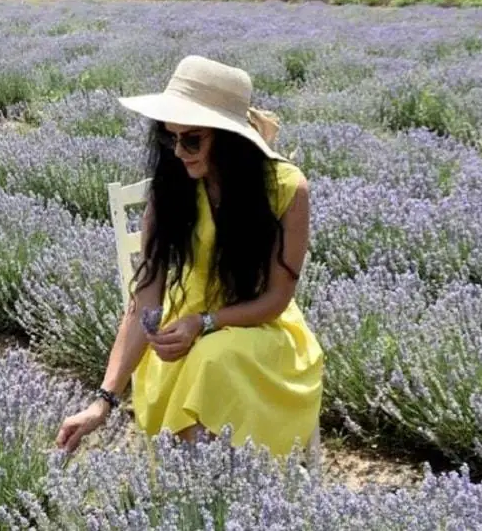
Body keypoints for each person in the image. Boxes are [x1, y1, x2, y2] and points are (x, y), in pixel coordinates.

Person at [55, 55, 324, 457]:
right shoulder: (171, 189)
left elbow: (277, 299)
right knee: (204, 362)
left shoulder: (286, 187)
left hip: (261, 332)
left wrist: (207, 322)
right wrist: (102, 401)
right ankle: (208, 498)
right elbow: (144, 298)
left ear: (229, 139)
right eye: (169, 138)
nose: (178, 151)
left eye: (192, 139)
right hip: (179, 337)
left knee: (213, 361)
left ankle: (211, 494)